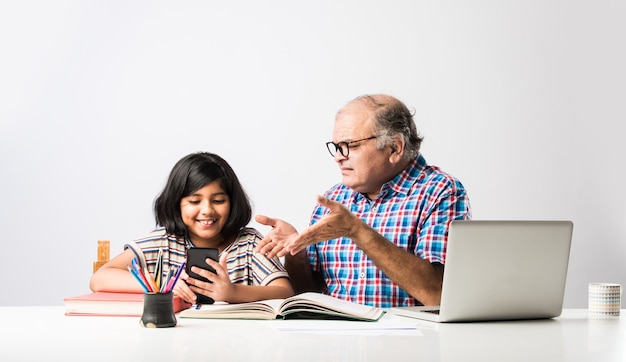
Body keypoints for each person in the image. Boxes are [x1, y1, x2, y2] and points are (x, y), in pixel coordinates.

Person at [256, 94, 471, 308]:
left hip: (408, 340)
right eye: (337, 146)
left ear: (395, 148)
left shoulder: (441, 191)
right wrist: (297, 251)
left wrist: (357, 230)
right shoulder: (333, 200)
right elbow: (309, 294)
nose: (338, 156)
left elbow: (439, 295)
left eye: (350, 145)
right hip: (335, 339)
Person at [90, 152, 294, 304]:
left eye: (218, 200)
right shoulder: (164, 242)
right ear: (176, 203)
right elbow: (99, 279)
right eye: (195, 201)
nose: (206, 210)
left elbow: (285, 292)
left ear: (232, 203)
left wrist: (232, 292)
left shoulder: (249, 243)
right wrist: (160, 284)